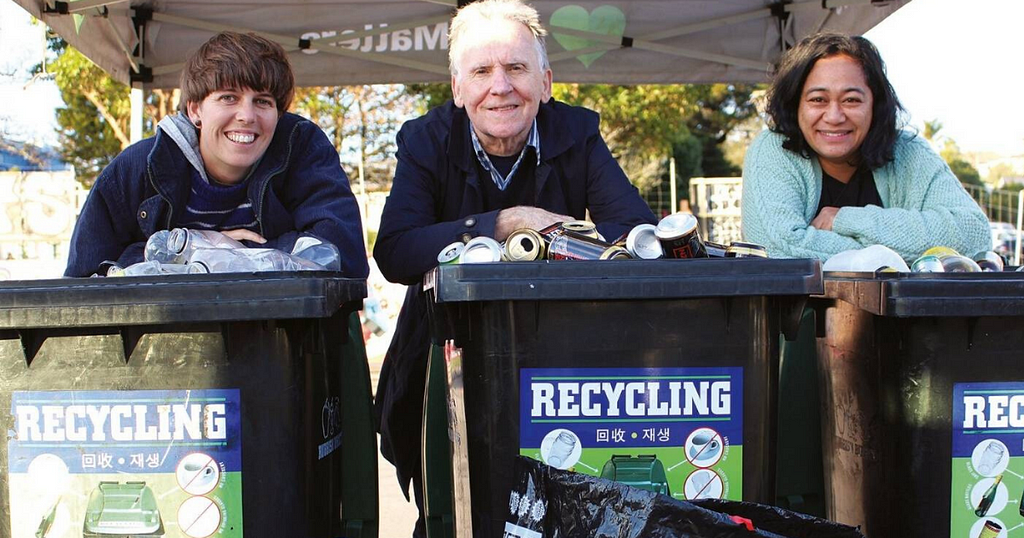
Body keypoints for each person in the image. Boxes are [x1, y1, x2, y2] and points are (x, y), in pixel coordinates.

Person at [372, 0, 655, 534]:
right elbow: (396, 252)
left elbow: (634, 231)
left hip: (561, 359)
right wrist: (500, 223)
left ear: (545, 81)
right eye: (481, 71)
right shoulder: (425, 140)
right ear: (458, 89)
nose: (499, 86)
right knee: (450, 513)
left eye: (516, 68)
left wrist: (576, 242)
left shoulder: (578, 133)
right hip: (445, 359)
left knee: (563, 502)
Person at [65, 32, 368, 278]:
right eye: (228, 97)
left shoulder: (301, 149)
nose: (247, 116)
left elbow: (344, 257)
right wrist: (209, 248)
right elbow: (85, 278)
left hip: (284, 343)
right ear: (195, 109)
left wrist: (227, 254)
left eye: (263, 101)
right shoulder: (136, 169)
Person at [741, 33, 990, 261]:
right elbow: (778, 249)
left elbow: (973, 236)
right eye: (818, 100)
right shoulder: (774, 150)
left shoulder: (909, 152)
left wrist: (845, 219)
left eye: (851, 100)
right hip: (800, 311)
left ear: (875, 104)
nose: (835, 116)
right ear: (796, 104)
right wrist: (901, 254)